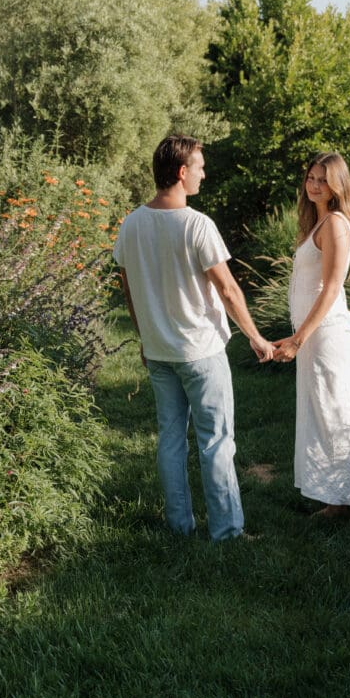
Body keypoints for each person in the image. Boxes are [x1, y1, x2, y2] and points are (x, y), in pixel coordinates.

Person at [113, 134, 274, 542]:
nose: (204, 174)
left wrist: (144, 338)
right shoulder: (197, 224)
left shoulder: (131, 224)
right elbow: (229, 289)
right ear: (182, 172)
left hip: (159, 352)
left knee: (170, 440)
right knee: (216, 441)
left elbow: (128, 290)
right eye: (200, 167)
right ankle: (227, 532)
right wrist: (256, 337)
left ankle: (179, 528)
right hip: (200, 352)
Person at [273, 152, 350, 523]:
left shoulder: (335, 224)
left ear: (337, 186)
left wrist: (298, 339)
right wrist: (298, 335)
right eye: (311, 178)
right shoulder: (319, 221)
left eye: (322, 180)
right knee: (321, 415)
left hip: (326, 336)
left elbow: (331, 289)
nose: (314, 186)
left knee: (338, 414)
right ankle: (337, 499)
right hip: (314, 335)